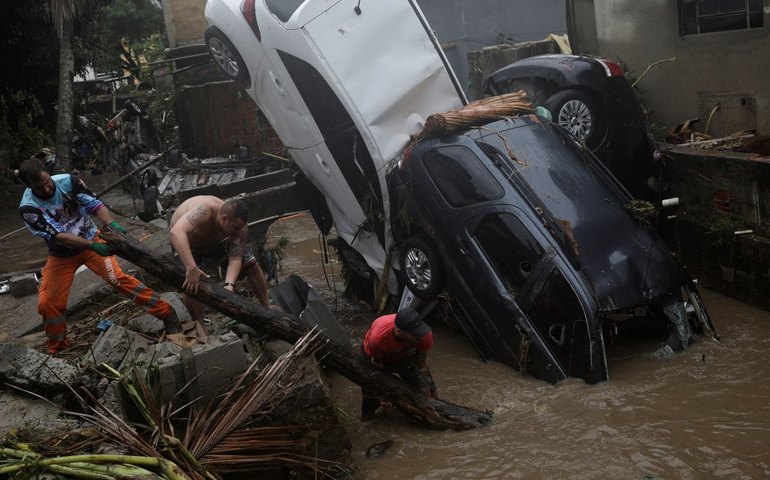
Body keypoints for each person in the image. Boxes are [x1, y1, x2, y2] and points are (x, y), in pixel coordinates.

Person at [17, 158, 181, 354]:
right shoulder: (28, 208)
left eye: (47, 183)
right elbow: (58, 236)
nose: (46, 189)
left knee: (117, 278)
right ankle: (58, 348)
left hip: (91, 236)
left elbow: (94, 205)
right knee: (48, 303)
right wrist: (93, 246)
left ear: (49, 175)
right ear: (29, 186)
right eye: (39, 188)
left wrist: (111, 225)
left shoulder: (69, 182)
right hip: (62, 253)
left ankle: (167, 314)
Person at [169, 195, 269, 336]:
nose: (237, 231)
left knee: (251, 264)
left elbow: (235, 257)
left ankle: (267, 310)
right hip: (187, 244)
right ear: (223, 219)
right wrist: (191, 268)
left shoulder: (239, 227)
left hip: (217, 242)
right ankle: (200, 327)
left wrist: (229, 284)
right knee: (190, 284)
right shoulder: (204, 210)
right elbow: (177, 232)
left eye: (239, 228)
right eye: (234, 228)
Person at [360, 307, 437, 421]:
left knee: (424, 388)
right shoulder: (379, 338)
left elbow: (421, 365)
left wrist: (429, 388)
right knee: (371, 396)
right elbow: (378, 366)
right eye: (416, 334)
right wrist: (383, 394)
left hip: (404, 355)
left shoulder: (424, 335)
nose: (420, 337)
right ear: (399, 331)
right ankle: (368, 421)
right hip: (375, 358)